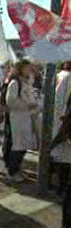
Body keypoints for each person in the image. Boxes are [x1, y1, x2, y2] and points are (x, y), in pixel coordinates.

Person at [2, 59, 39, 183]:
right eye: (27, 67)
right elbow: (11, 101)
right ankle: (12, 172)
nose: (29, 69)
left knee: (22, 146)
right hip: (18, 119)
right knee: (17, 147)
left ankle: (16, 169)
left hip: (26, 118)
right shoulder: (15, 82)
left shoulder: (26, 81)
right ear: (20, 68)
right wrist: (27, 105)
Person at [50, 62, 71, 209]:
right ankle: (60, 188)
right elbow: (59, 100)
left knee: (63, 157)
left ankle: (60, 187)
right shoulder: (67, 78)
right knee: (64, 159)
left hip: (63, 122)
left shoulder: (63, 77)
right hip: (65, 125)